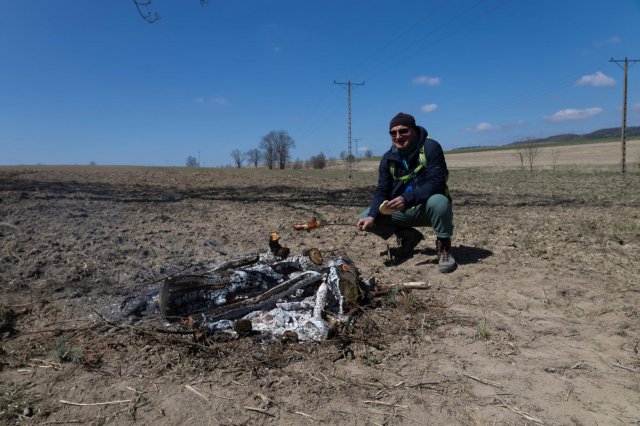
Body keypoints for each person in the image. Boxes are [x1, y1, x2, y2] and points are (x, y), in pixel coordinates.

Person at [356, 112, 456, 273]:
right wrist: (372, 215)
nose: (398, 136)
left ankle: (444, 249)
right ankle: (409, 236)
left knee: (439, 201)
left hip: (427, 209)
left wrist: (407, 198)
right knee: (366, 216)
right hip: (403, 209)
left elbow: (437, 182)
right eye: (393, 133)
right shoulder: (388, 159)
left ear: (414, 130)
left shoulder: (430, 148)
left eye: (403, 131)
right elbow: (382, 190)